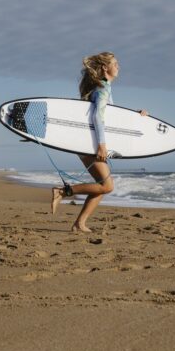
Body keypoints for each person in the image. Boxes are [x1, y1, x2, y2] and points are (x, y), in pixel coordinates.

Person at [51, 52, 147, 233]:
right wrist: (102, 145)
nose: (118, 67)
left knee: (102, 186)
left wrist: (136, 115)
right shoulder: (103, 88)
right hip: (92, 144)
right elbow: (98, 117)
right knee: (107, 186)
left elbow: (109, 116)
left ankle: (79, 223)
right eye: (115, 63)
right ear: (105, 67)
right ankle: (62, 192)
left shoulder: (102, 87)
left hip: (87, 143)